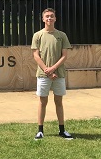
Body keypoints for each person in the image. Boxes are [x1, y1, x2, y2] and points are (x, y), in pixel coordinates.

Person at [31, 8, 73, 140]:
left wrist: (53, 69)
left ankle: (62, 130)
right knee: (42, 101)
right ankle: (40, 130)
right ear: (43, 19)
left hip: (59, 74)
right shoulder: (38, 35)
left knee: (58, 102)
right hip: (43, 75)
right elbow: (36, 55)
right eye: (47, 16)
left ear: (55, 19)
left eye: (52, 16)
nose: (49, 18)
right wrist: (47, 71)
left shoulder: (61, 35)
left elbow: (64, 55)